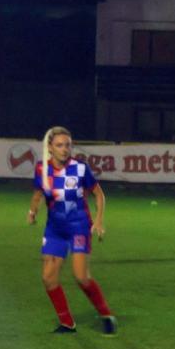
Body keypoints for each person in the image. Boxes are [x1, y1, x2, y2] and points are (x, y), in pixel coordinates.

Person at [26, 126, 116, 335]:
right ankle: (67, 323)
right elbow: (38, 193)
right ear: (50, 147)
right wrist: (32, 211)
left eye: (68, 145)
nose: (65, 149)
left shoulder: (80, 168)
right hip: (55, 230)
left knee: (81, 277)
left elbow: (99, 194)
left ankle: (106, 314)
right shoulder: (42, 169)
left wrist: (99, 220)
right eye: (59, 145)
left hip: (79, 228)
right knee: (48, 278)